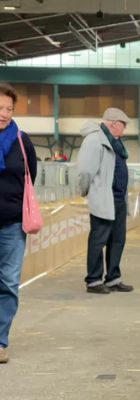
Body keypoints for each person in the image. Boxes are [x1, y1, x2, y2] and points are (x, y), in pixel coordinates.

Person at [0, 83, 38, 363]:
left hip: (13, 224)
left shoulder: (22, 141)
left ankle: (0, 341)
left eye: (9, 109)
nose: (4, 113)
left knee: (9, 283)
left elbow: (30, 176)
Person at [78, 107, 134, 294]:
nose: (124, 130)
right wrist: (87, 192)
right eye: (122, 126)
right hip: (103, 198)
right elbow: (85, 170)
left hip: (118, 199)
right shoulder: (95, 140)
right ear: (113, 124)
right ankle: (94, 280)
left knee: (118, 239)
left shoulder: (116, 143)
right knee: (99, 238)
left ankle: (113, 278)